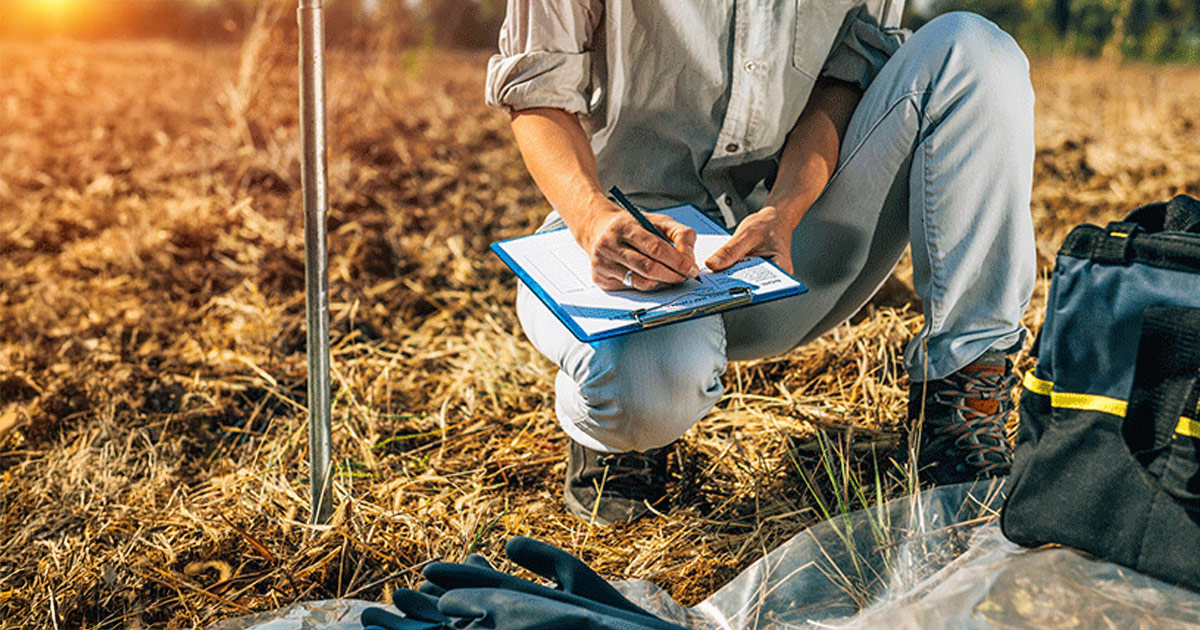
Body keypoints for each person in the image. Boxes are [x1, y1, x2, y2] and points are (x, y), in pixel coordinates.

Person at [485, 0, 1035, 526]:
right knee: (642, 398)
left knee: (975, 52)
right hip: (625, 238)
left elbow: (845, 78)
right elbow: (538, 94)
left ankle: (963, 403)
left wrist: (786, 208)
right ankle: (614, 433)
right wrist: (591, 219)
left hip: (790, 239)